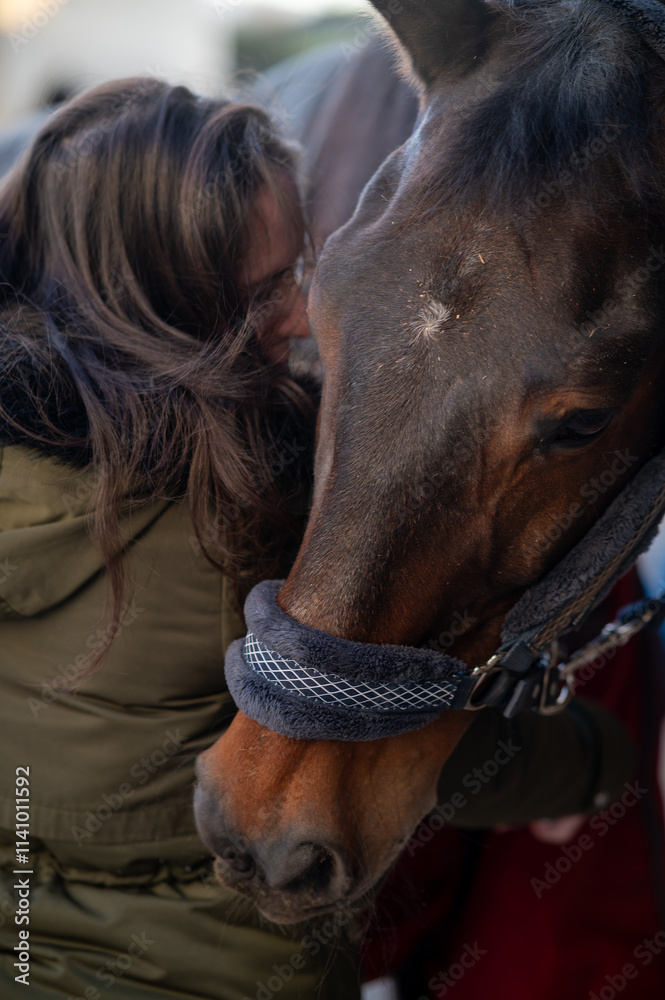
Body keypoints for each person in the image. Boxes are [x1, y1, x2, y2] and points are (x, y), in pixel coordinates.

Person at [0, 76, 359, 999]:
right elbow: (378, 740)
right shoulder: (237, 520)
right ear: (154, 309)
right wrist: (599, 761)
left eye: (302, 268)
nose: (301, 312)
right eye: (261, 292)